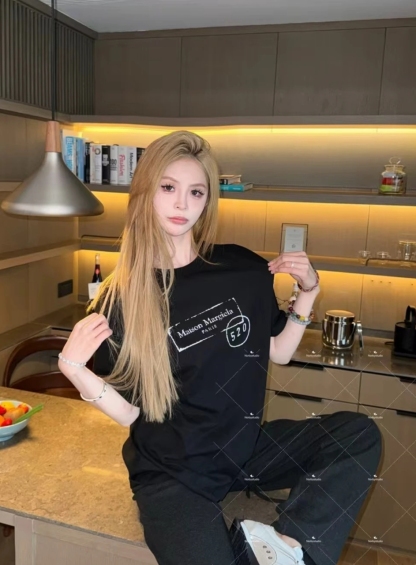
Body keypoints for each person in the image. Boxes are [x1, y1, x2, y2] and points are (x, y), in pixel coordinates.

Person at [58, 131, 382, 565]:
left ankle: (288, 547)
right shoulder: (120, 299)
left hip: (243, 451)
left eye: (196, 192)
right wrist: (76, 370)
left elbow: (278, 350)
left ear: (207, 200)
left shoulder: (242, 269)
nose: (182, 203)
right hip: (171, 474)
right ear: (145, 193)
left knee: (357, 434)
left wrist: (309, 292)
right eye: (168, 187)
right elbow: (132, 414)